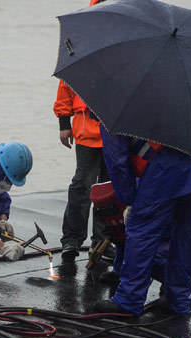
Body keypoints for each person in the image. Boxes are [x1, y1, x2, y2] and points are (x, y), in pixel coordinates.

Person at [94, 129, 191, 316]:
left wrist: (129, 199)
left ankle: (129, 300)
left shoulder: (114, 117)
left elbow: (117, 161)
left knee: (142, 231)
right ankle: (177, 299)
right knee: (187, 233)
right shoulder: (179, 110)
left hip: (164, 168)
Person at [53, 0, 113, 262]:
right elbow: (66, 84)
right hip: (87, 132)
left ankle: (103, 241)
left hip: (115, 134)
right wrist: (63, 123)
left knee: (109, 189)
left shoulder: (125, 48)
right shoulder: (77, 45)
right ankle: (72, 239)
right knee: (81, 186)